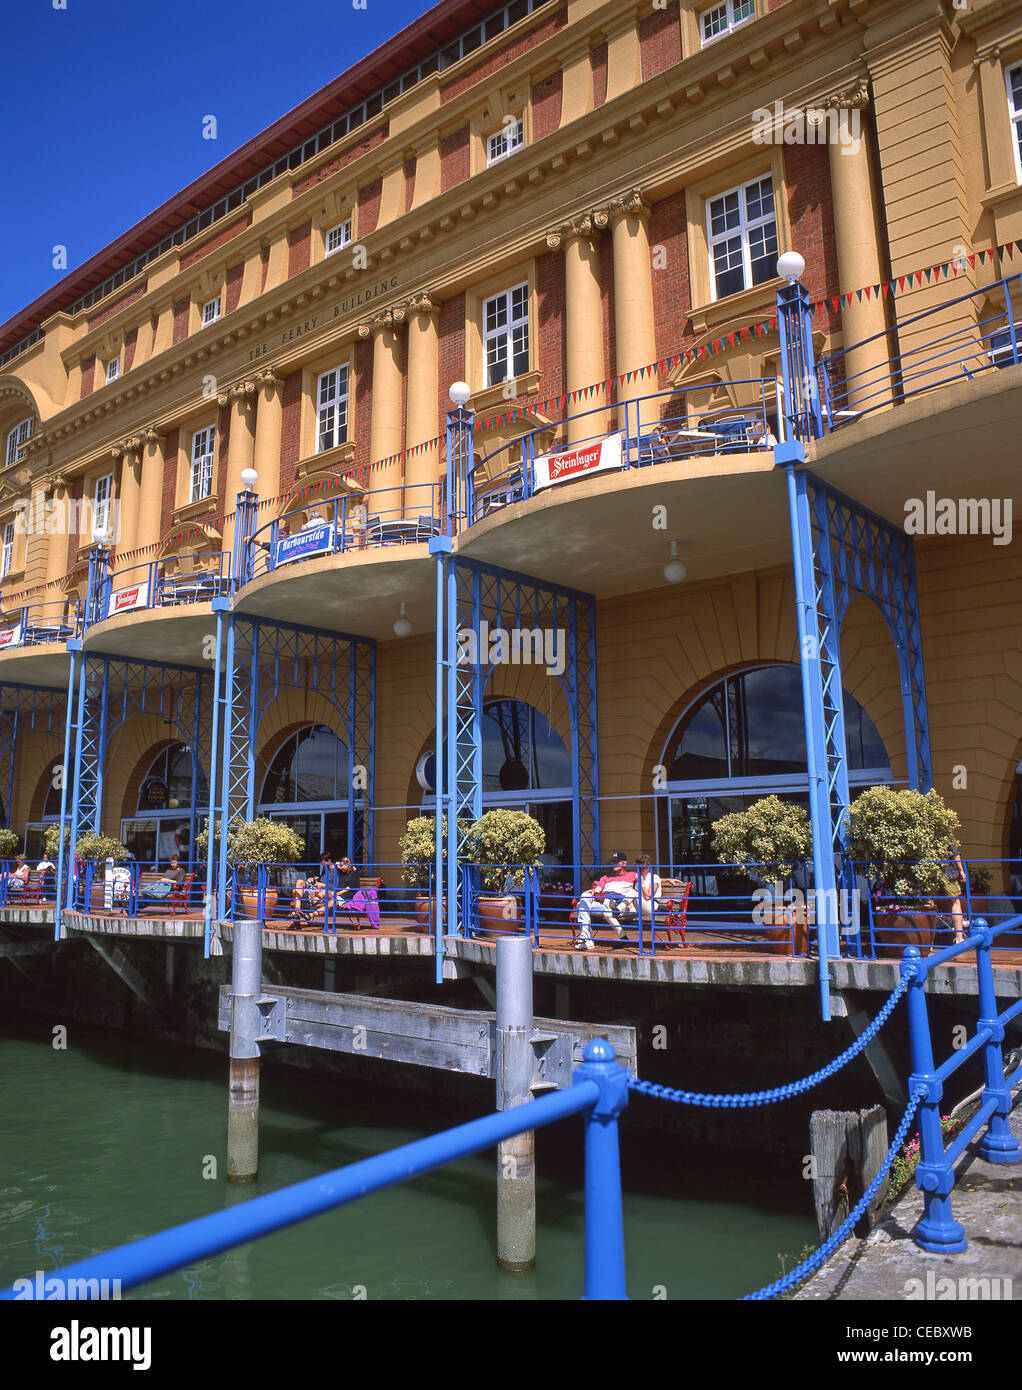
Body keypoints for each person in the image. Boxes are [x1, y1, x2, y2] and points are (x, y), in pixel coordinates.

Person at [572, 853, 637, 950]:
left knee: (582, 907)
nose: (614, 864)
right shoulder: (606, 878)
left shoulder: (632, 875)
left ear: (624, 864)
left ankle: (587, 940)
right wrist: (593, 892)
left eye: (616, 862)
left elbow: (648, 880)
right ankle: (586, 936)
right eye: (613, 862)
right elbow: (597, 890)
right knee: (583, 898)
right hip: (603, 904)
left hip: (616, 905)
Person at [943, 844, 969, 944]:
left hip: (931, 873)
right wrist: (961, 870)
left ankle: (929, 943)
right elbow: (955, 854)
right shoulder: (945, 835)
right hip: (948, 874)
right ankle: (959, 938)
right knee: (956, 903)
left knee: (930, 903)